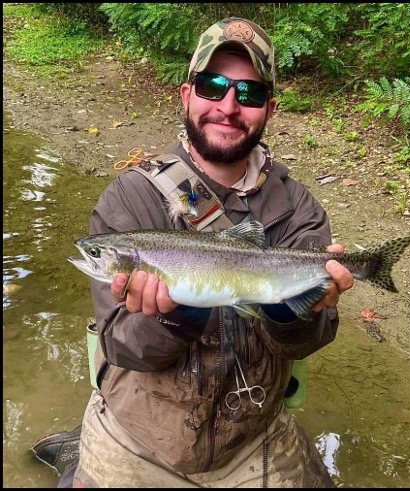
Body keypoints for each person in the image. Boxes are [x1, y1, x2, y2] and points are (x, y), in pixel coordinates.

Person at [32, 17, 354, 488]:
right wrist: (175, 314)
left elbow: (310, 340)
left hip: (253, 439)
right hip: (138, 437)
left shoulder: (297, 208)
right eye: (213, 85)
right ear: (187, 94)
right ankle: (80, 447)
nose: (228, 106)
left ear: (269, 109)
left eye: (248, 94)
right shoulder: (130, 199)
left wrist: (293, 313)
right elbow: (121, 347)